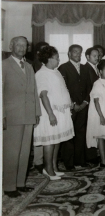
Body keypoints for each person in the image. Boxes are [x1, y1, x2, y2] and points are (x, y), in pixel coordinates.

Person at [2, 36, 41, 197]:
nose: (21, 48)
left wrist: (37, 112)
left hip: (28, 114)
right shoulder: (3, 65)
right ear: (11, 46)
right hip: (12, 115)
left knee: (25, 151)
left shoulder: (29, 66)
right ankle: (9, 185)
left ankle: (20, 183)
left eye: (24, 45)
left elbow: (34, 90)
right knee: (11, 151)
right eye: (18, 45)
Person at [34, 46, 74, 180]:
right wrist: (51, 114)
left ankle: (54, 167)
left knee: (57, 140)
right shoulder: (41, 74)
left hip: (60, 112)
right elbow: (43, 95)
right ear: (49, 59)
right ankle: (48, 169)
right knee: (50, 141)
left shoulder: (55, 72)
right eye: (57, 58)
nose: (58, 60)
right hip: (49, 113)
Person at [58, 44, 92, 170]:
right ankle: (69, 162)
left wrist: (84, 103)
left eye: (79, 52)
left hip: (83, 107)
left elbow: (89, 87)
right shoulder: (63, 68)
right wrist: (72, 104)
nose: (78, 54)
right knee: (69, 135)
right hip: (69, 107)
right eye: (75, 52)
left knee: (81, 133)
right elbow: (63, 88)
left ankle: (80, 161)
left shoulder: (85, 68)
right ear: (69, 54)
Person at [31, 41, 49, 174]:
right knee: (38, 131)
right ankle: (38, 161)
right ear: (37, 53)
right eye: (43, 51)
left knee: (45, 131)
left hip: (47, 101)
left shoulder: (47, 65)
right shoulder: (34, 65)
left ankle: (42, 160)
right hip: (36, 101)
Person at [83, 47, 101, 166]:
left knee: (94, 129)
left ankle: (94, 154)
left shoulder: (95, 68)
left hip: (95, 103)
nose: (97, 57)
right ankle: (90, 156)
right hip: (89, 103)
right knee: (89, 130)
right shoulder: (85, 68)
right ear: (87, 57)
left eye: (98, 55)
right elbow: (87, 88)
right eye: (94, 55)